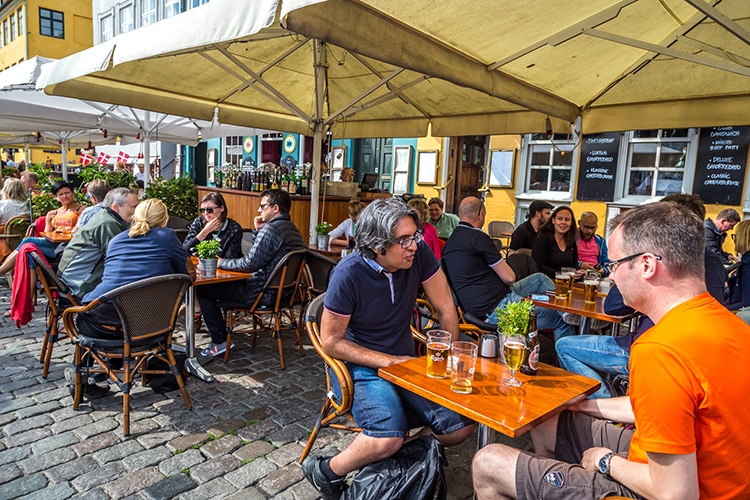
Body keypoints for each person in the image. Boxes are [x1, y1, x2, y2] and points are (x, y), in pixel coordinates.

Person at [473, 201, 750, 500]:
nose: (612, 276)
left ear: (647, 264)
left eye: (615, 264)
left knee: (488, 462)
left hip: (670, 486)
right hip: (715, 473)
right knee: (545, 418)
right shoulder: (732, 326)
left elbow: (675, 493)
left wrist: (605, 461)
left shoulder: (660, 348)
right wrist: (582, 405)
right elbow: (665, 406)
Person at [301, 198, 474, 499]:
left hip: (404, 364)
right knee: (386, 439)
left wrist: (447, 356)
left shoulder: (416, 257)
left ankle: (394, 461)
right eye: (403, 240)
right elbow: (331, 341)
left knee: (460, 426)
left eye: (415, 236)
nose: (414, 245)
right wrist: (390, 361)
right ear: (376, 245)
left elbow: (445, 306)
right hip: (357, 366)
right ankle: (327, 470)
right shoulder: (348, 273)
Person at [557, 193, 723, 399]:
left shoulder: (651, 264)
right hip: (697, 358)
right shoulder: (715, 263)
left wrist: (624, 270)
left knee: (565, 345)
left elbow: (613, 307)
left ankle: (605, 405)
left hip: (647, 352)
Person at [442, 196, 574, 342]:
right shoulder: (479, 238)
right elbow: (509, 277)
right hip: (500, 309)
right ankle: (566, 322)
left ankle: (567, 312)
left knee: (539, 278)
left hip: (482, 305)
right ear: (480, 215)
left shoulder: (451, 241)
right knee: (562, 320)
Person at [196, 189, 305, 357]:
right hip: (284, 295)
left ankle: (219, 341)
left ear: (275, 208)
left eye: (262, 206)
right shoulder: (291, 228)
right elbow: (261, 256)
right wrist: (257, 231)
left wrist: (220, 262)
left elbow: (249, 264)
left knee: (203, 290)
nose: (259, 211)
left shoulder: (272, 230)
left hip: (261, 294)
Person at [58, 188, 139, 301]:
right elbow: (119, 261)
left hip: (70, 282)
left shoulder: (105, 215)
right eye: (134, 207)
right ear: (115, 207)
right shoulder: (108, 223)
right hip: (79, 287)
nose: (138, 211)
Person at [0, 180, 85, 277]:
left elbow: (79, 229)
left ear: (72, 193)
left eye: (67, 193)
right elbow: (47, 234)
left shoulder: (81, 210)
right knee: (28, 254)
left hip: (68, 246)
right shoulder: (53, 213)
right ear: (56, 197)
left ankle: (1, 271)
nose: (64, 196)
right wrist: (48, 220)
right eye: (61, 194)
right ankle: (29, 291)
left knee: (28, 241)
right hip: (54, 245)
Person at [183, 192, 243, 259]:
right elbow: (184, 250)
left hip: (222, 267)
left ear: (221, 208)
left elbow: (230, 258)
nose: (205, 213)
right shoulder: (199, 222)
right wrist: (204, 232)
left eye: (209, 210)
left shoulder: (234, 229)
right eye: (202, 210)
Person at [531, 205, 578, 278]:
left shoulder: (571, 241)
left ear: (571, 223)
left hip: (567, 281)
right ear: (553, 220)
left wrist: (578, 272)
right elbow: (538, 266)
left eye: (567, 219)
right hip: (545, 280)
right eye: (559, 219)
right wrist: (561, 274)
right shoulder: (543, 239)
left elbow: (574, 265)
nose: (563, 222)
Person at [727, 219, 750, 322]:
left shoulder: (748, 266)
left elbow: (747, 302)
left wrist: (720, 309)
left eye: (735, 236)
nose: (734, 239)